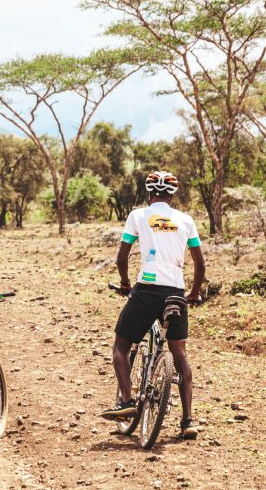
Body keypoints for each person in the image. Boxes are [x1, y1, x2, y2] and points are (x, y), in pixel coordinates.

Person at [101, 171, 205, 439]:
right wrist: (192, 294)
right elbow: (200, 263)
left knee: (121, 347)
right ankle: (187, 420)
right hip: (176, 291)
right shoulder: (186, 220)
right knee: (179, 352)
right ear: (172, 195)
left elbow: (122, 256)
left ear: (149, 193)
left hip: (146, 290)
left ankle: (126, 402)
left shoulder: (138, 216)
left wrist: (125, 283)